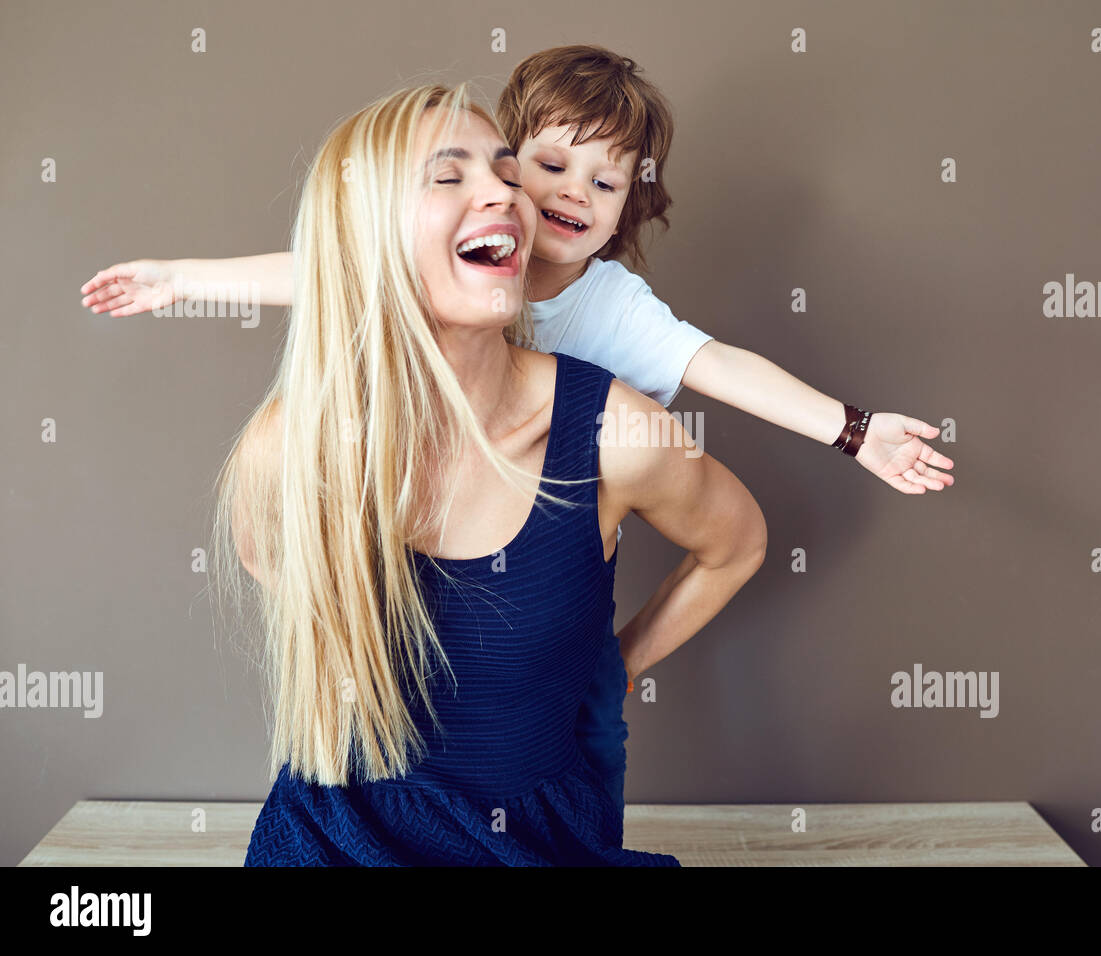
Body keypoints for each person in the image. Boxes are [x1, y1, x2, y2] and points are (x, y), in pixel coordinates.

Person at [80, 45, 953, 827]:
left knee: (569, 752)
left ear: (626, 212)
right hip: (384, 763)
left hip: (547, 662)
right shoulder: (353, 356)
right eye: (546, 164)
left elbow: (720, 366)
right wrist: (179, 277)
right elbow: (322, 268)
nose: (571, 192)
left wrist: (852, 430)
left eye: (606, 184)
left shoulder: (609, 313)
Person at [212, 81, 766, 865]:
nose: (504, 196)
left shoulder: (617, 433)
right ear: (363, 236)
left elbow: (736, 544)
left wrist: (610, 665)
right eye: (450, 176)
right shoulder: (290, 444)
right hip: (331, 838)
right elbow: (264, 555)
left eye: (509, 175)